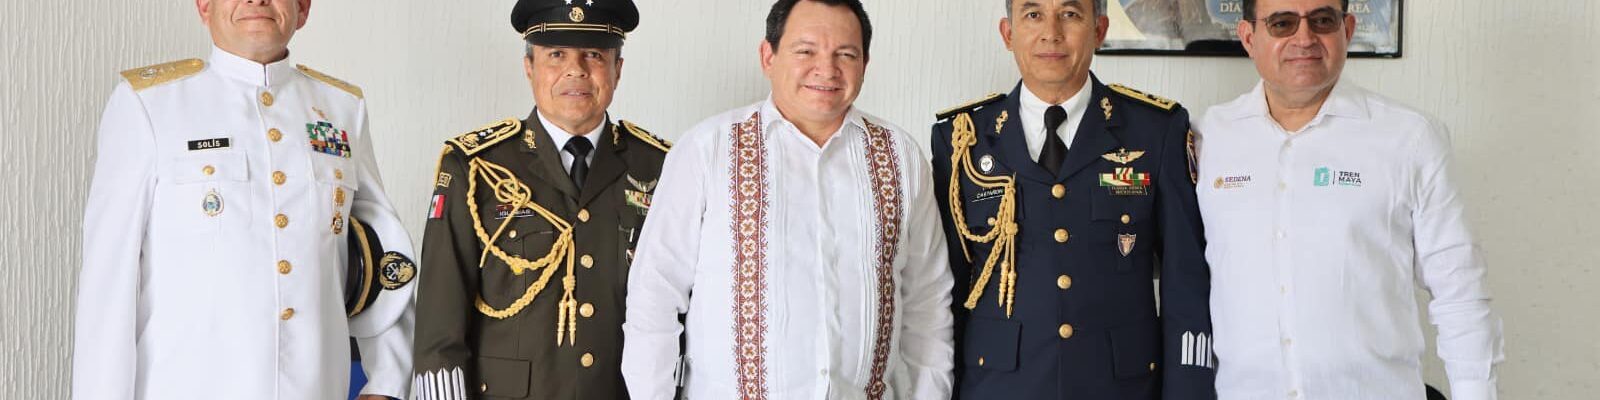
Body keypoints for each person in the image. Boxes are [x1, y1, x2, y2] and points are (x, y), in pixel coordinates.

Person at [73, 0, 415, 398]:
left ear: (303, 8)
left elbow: (384, 252)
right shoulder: (149, 105)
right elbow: (107, 285)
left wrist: (387, 381)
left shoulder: (342, 110)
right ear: (204, 6)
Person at [620, 0, 954, 398]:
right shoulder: (707, 150)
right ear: (768, 56)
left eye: (846, 54)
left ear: (865, 63)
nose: (826, 69)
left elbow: (927, 305)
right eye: (806, 51)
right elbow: (654, 298)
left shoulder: (901, 157)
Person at [1193, 0, 1504, 398]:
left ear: (1348, 29)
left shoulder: (1410, 138)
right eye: (1283, 23)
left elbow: (1460, 290)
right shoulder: (1207, 139)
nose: (1304, 38)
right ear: (1249, 37)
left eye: (1322, 20)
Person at [930, 0, 1215, 398]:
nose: (1051, 33)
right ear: (1008, 33)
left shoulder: (1155, 131)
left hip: (1120, 389)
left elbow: (1185, 281)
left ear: (1099, 30)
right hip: (999, 386)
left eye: (1070, 14)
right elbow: (941, 290)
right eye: (1033, 15)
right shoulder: (963, 140)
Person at [408, 0, 669, 398]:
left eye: (594, 54)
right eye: (556, 54)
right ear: (529, 67)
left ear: (617, 69)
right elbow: (438, 328)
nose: (576, 70)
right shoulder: (475, 168)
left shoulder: (659, 167)